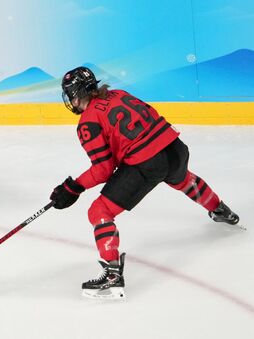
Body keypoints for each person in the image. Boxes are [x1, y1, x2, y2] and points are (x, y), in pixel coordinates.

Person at [49, 66, 241, 299]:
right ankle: (221, 210)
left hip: (148, 162)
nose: (71, 100)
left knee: (99, 210)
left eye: (71, 94)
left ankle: (112, 277)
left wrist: (73, 187)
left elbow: (103, 170)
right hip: (175, 148)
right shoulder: (119, 94)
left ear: (78, 93)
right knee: (184, 180)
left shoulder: (88, 122)